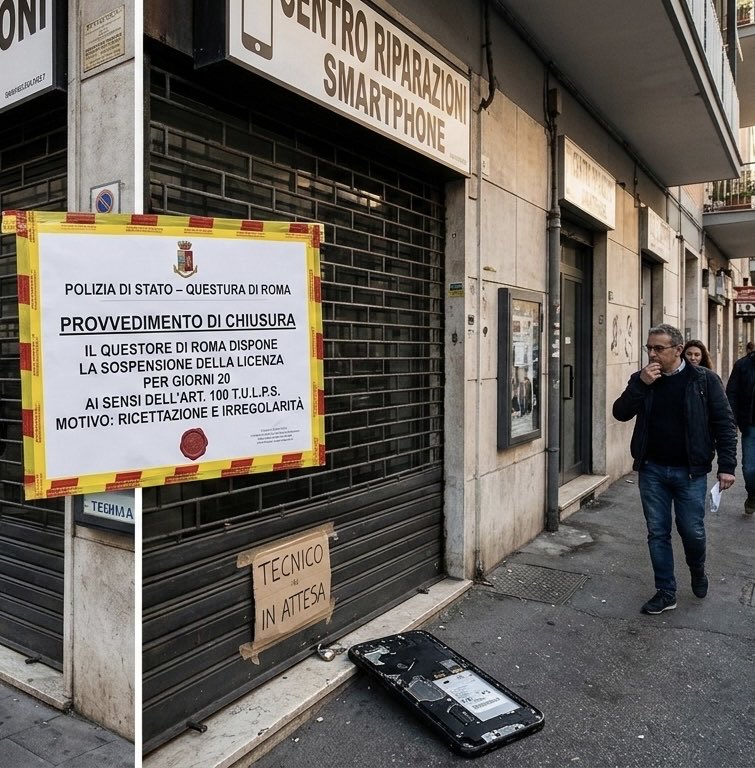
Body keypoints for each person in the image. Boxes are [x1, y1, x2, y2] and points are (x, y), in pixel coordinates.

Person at [612, 324, 737, 614]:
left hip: (690, 472)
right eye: (649, 348)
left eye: (659, 348)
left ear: (678, 350)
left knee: (691, 530)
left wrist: (727, 466)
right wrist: (640, 384)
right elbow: (620, 413)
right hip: (652, 469)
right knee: (657, 532)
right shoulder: (643, 379)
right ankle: (666, 591)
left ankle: (697, 569)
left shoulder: (704, 381)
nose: (652, 354)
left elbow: (724, 424)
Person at [725, 341, 755, 514]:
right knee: (749, 468)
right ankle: (752, 494)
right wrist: (732, 420)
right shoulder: (743, 365)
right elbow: (732, 394)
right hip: (750, 425)